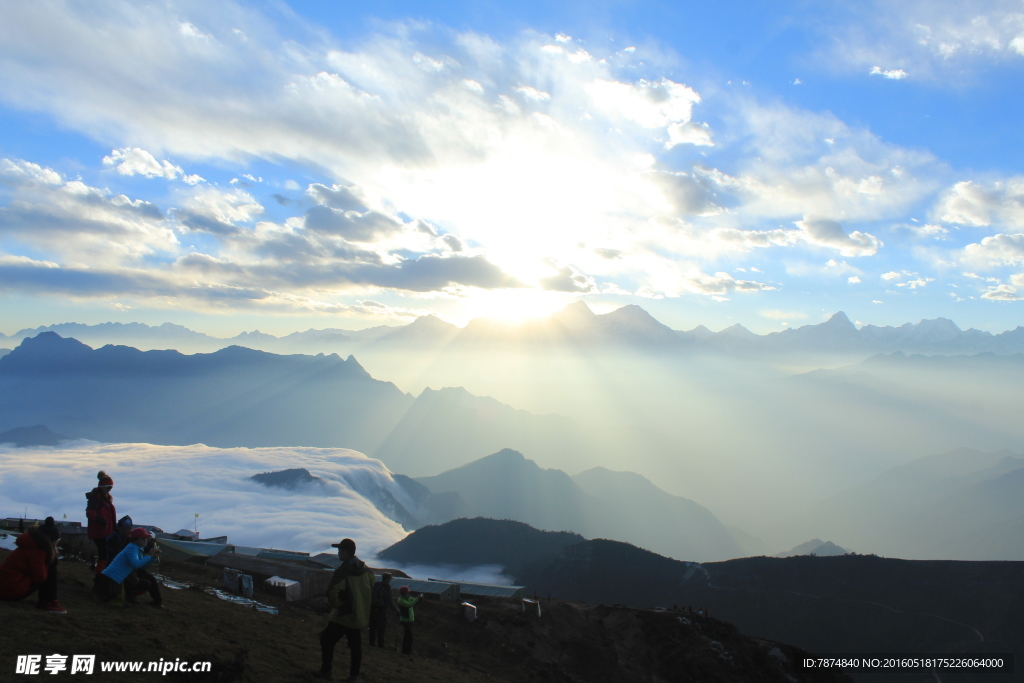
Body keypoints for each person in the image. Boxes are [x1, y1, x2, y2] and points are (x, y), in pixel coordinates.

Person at [317, 538, 374, 682]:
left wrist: (338, 604)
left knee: (326, 640)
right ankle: (354, 676)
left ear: (346, 552)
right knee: (355, 647)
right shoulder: (366, 570)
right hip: (358, 615)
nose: (338, 553)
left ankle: (326, 672)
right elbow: (371, 585)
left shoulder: (343, 572)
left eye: (340, 551)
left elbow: (332, 593)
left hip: (343, 615)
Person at [0, 518, 66, 613]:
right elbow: (39, 578)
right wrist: (48, 564)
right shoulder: (37, 551)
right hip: (10, 591)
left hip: (4, 586)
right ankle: (48, 603)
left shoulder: (30, 544)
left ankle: (48, 602)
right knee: (51, 570)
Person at [104, 516, 162, 607]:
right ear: (136, 539)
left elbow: (142, 566)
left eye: (146, 538)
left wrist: (153, 558)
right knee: (143, 583)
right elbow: (135, 564)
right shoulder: (131, 547)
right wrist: (149, 556)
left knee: (148, 580)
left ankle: (156, 602)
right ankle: (128, 596)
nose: (145, 541)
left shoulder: (136, 548)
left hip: (120, 576)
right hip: (115, 577)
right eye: (143, 539)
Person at [85, 471, 116, 568]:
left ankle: (102, 571)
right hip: (99, 532)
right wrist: (101, 521)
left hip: (105, 531)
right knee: (104, 553)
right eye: (109, 487)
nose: (110, 489)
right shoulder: (95, 499)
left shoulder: (104, 498)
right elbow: (90, 513)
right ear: (103, 486)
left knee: (105, 553)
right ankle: (100, 572)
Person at [367, 572, 399, 648]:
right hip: (381, 610)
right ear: (388, 579)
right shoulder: (387, 587)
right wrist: (396, 610)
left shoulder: (376, 585)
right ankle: (380, 645)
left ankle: (371, 643)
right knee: (381, 628)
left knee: (372, 627)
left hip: (373, 609)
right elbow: (390, 601)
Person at [397, 585, 423, 656]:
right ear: (404, 593)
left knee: (407, 636)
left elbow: (413, 601)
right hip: (405, 620)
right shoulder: (401, 600)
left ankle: (405, 651)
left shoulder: (407, 598)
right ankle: (407, 651)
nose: (408, 594)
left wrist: (418, 599)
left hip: (409, 620)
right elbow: (410, 605)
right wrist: (417, 598)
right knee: (409, 636)